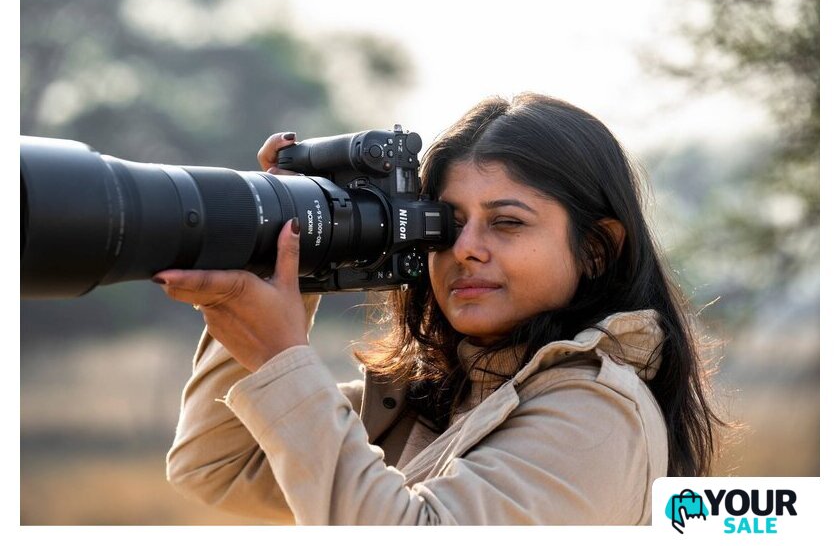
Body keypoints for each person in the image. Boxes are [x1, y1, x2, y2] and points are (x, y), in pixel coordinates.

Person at [156, 92, 721, 525]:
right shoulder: (434, 401)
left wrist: (282, 359)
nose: (465, 248)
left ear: (596, 249)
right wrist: (289, 260)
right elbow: (216, 465)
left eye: (507, 222)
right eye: (447, 223)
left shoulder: (596, 414)